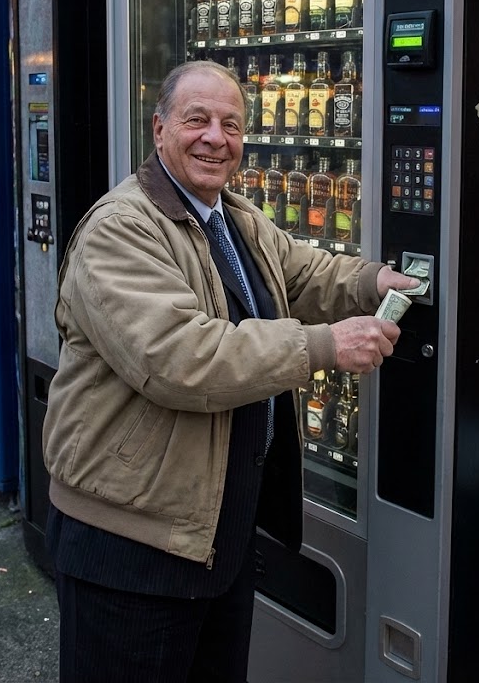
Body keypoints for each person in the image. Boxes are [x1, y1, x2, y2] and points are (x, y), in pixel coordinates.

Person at [42, 59, 419, 683]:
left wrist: (371, 279)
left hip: (214, 533)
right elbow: (180, 359)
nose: (216, 137)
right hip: (130, 546)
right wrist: (325, 346)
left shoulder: (232, 216)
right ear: (159, 129)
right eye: (197, 120)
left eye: (231, 124)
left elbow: (302, 271)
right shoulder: (120, 229)